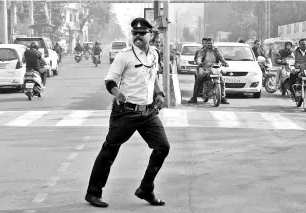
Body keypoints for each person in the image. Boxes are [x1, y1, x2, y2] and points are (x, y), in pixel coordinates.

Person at [85, 17, 170, 208]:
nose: (138, 36)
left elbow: (153, 75)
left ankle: (146, 189)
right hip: (126, 112)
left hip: (148, 112)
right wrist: (117, 92)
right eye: (134, 33)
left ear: (151, 35)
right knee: (109, 151)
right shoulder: (124, 56)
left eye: (142, 33)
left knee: (163, 148)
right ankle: (93, 193)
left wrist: (160, 93)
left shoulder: (154, 54)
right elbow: (110, 80)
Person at [188, 37, 230, 104]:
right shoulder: (202, 51)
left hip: (215, 68)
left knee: (222, 80)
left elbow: (221, 57)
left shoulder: (216, 50)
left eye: (211, 43)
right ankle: (194, 97)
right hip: (204, 67)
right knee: (199, 77)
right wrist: (199, 62)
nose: (209, 44)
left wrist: (225, 63)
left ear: (213, 43)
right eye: (208, 43)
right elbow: (199, 58)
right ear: (206, 44)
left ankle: (222, 97)